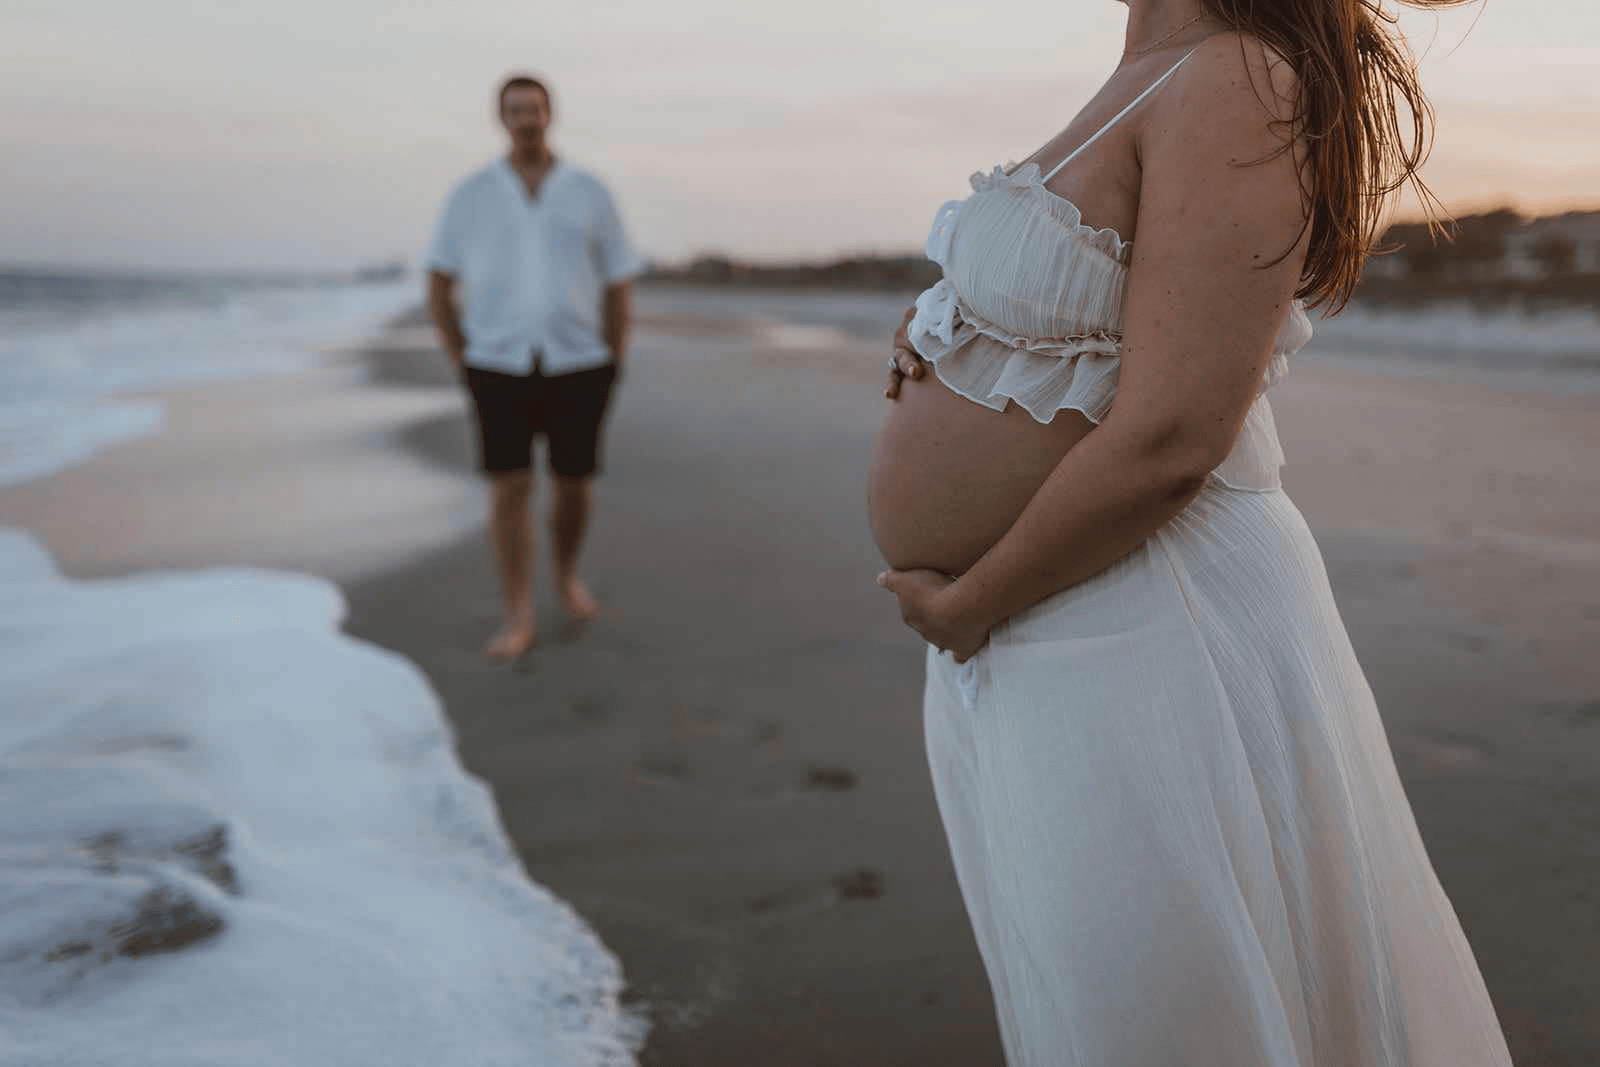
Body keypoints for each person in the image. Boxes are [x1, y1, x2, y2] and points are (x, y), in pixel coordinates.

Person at [869, 0, 1514, 1063]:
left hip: (1144, 620)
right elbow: (1101, 321)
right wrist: (941, 333)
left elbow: (1176, 431)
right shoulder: (1154, 66)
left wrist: (973, 600)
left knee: (1160, 1014)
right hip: (1041, 626)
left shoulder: (1236, 76)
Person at [426, 75, 644, 660]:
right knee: (511, 485)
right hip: (496, 362)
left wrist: (614, 360)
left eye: (534, 108)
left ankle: (567, 575)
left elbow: (618, 280)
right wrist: (459, 356)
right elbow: (439, 280)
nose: (526, 118)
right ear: (501, 117)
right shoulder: (470, 194)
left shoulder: (589, 191)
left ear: (551, 114)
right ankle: (517, 610)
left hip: (579, 362)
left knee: (574, 484)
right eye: (514, 109)